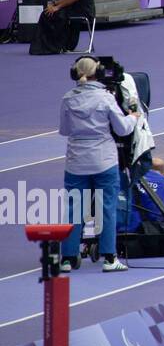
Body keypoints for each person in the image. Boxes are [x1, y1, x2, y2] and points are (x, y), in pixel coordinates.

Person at [59, 56, 137, 272]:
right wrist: (133, 117)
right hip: (103, 160)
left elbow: (64, 130)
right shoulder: (105, 98)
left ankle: (67, 258)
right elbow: (122, 129)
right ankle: (110, 258)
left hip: (76, 162)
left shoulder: (68, 98)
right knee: (107, 209)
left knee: (74, 210)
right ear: (99, 72)